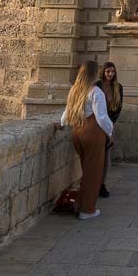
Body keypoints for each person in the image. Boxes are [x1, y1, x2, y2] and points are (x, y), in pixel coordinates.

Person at [58, 60, 113, 219]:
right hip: (92, 132)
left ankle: (79, 204)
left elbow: (67, 112)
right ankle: (87, 210)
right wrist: (110, 131)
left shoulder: (74, 90)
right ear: (94, 73)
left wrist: (62, 124)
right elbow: (101, 117)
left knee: (86, 171)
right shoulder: (96, 92)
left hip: (77, 132)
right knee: (94, 173)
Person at [96, 61, 123, 198]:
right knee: (96, 155)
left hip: (109, 125)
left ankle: (103, 184)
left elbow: (118, 109)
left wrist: (110, 125)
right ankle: (94, 182)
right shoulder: (97, 86)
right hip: (96, 125)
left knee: (107, 156)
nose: (110, 74)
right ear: (103, 72)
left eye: (112, 71)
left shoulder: (118, 87)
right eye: (108, 71)